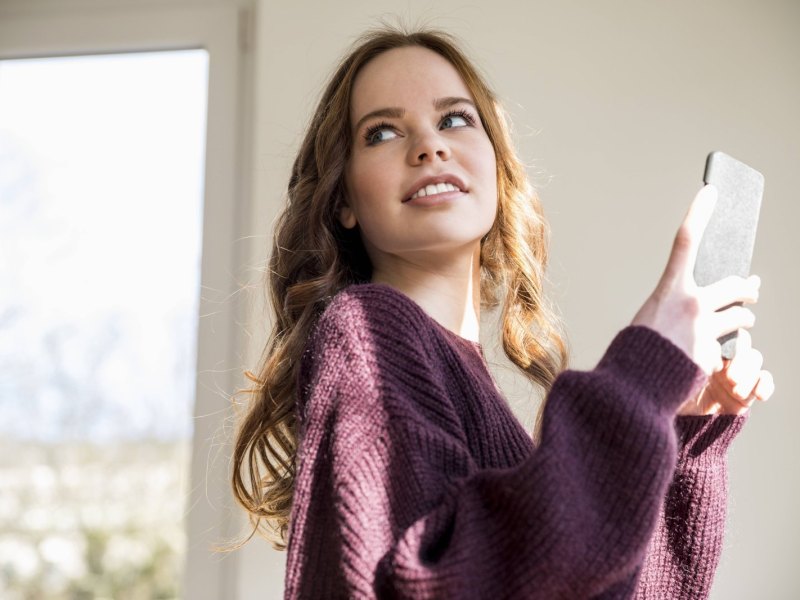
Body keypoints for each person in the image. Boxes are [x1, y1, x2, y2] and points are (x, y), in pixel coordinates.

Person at [231, 26, 775, 599]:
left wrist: (687, 430)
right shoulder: (367, 330)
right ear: (343, 199)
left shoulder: (474, 399)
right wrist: (642, 370)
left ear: (497, 164)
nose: (428, 146)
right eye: (383, 131)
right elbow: (427, 584)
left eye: (455, 119)